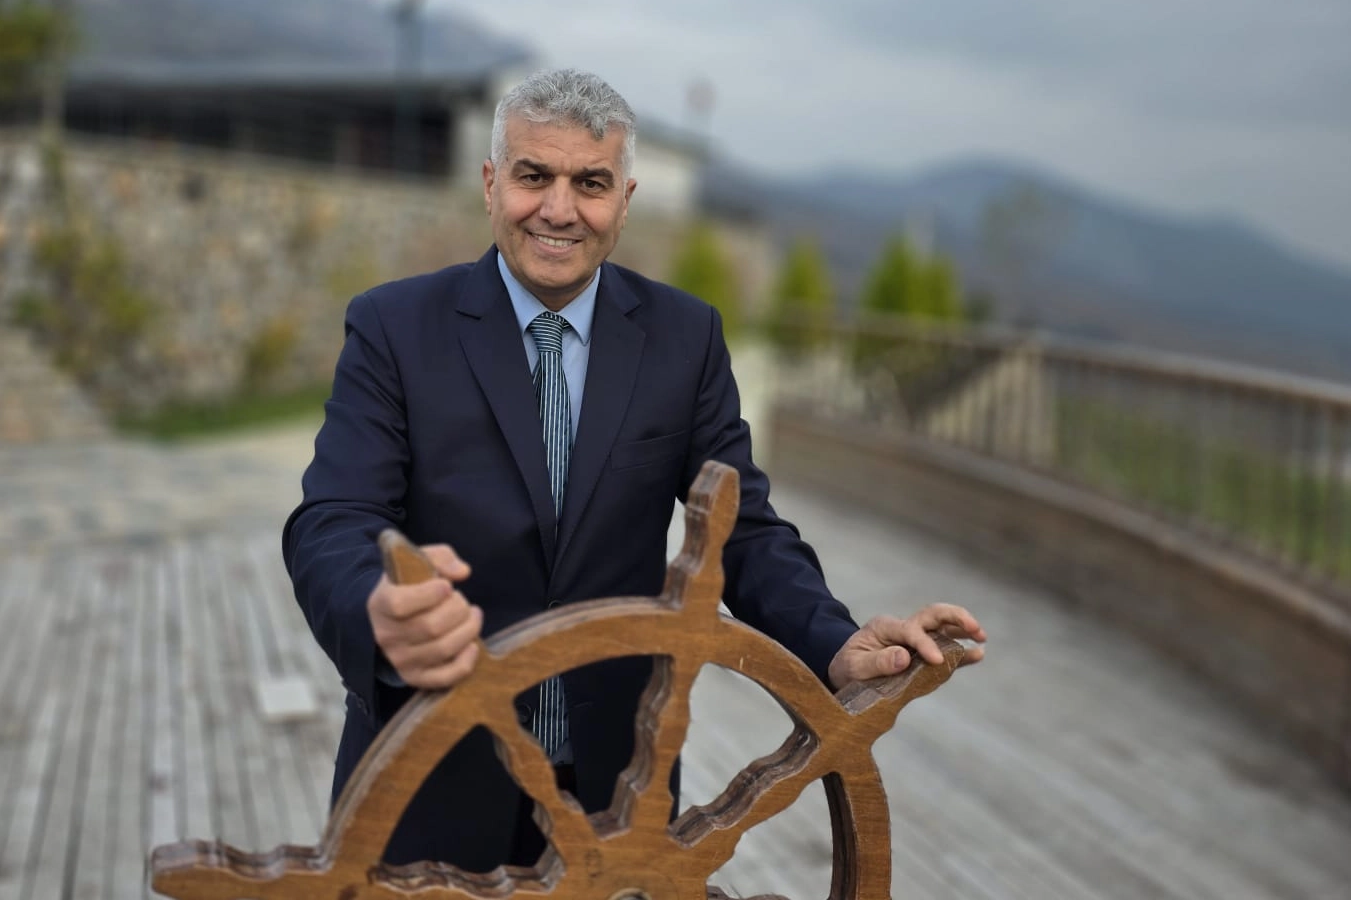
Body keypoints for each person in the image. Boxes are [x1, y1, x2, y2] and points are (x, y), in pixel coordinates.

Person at [282, 67, 985, 872]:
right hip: (424, 773)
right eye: (533, 176)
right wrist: (376, 610)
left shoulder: (685, 339)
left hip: (618, 790)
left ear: (624, 200)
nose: (558, 209)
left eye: (590, 183)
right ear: (489, 183)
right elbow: (333, 519)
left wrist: (836, 642)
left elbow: (743, 532)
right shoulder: (393, 326)